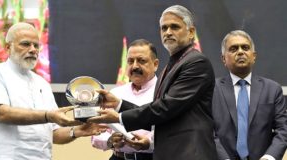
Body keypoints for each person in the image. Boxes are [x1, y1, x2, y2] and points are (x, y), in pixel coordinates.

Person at [88, 5, 217, 160]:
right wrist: (119, 104)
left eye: (174, 27)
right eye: (164, 28)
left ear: (191, 32)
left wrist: (118, 117)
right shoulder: (174, 64)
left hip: (188, 153)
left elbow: (166, 108)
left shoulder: (196, 62)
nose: (168, 32)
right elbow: (161, 115)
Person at [0, 22, 106, 160]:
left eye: (36, 45)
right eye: (25, 44)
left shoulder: (42, 83)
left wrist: (77, 131)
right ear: (8, 47)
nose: (33, 49)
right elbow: (2, 113)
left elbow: (53, 133)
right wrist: (49, 116)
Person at [212, 30, 287, 160]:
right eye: (233, 49)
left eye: (245, 48)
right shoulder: (211, 89)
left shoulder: (272, 89)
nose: (240, 52)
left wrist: (269, 157)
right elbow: (207, 131)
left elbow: (283, 129)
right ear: (223, 58)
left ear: (254, 56)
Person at [91, 39, 159, 160]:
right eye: (130, 61)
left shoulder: (165, 92)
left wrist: (149, 143)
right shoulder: (115, 93)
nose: (135, 66)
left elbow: (173, 133)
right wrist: (110, 141)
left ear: (155, 64)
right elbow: (96, 133)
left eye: (141, 61)